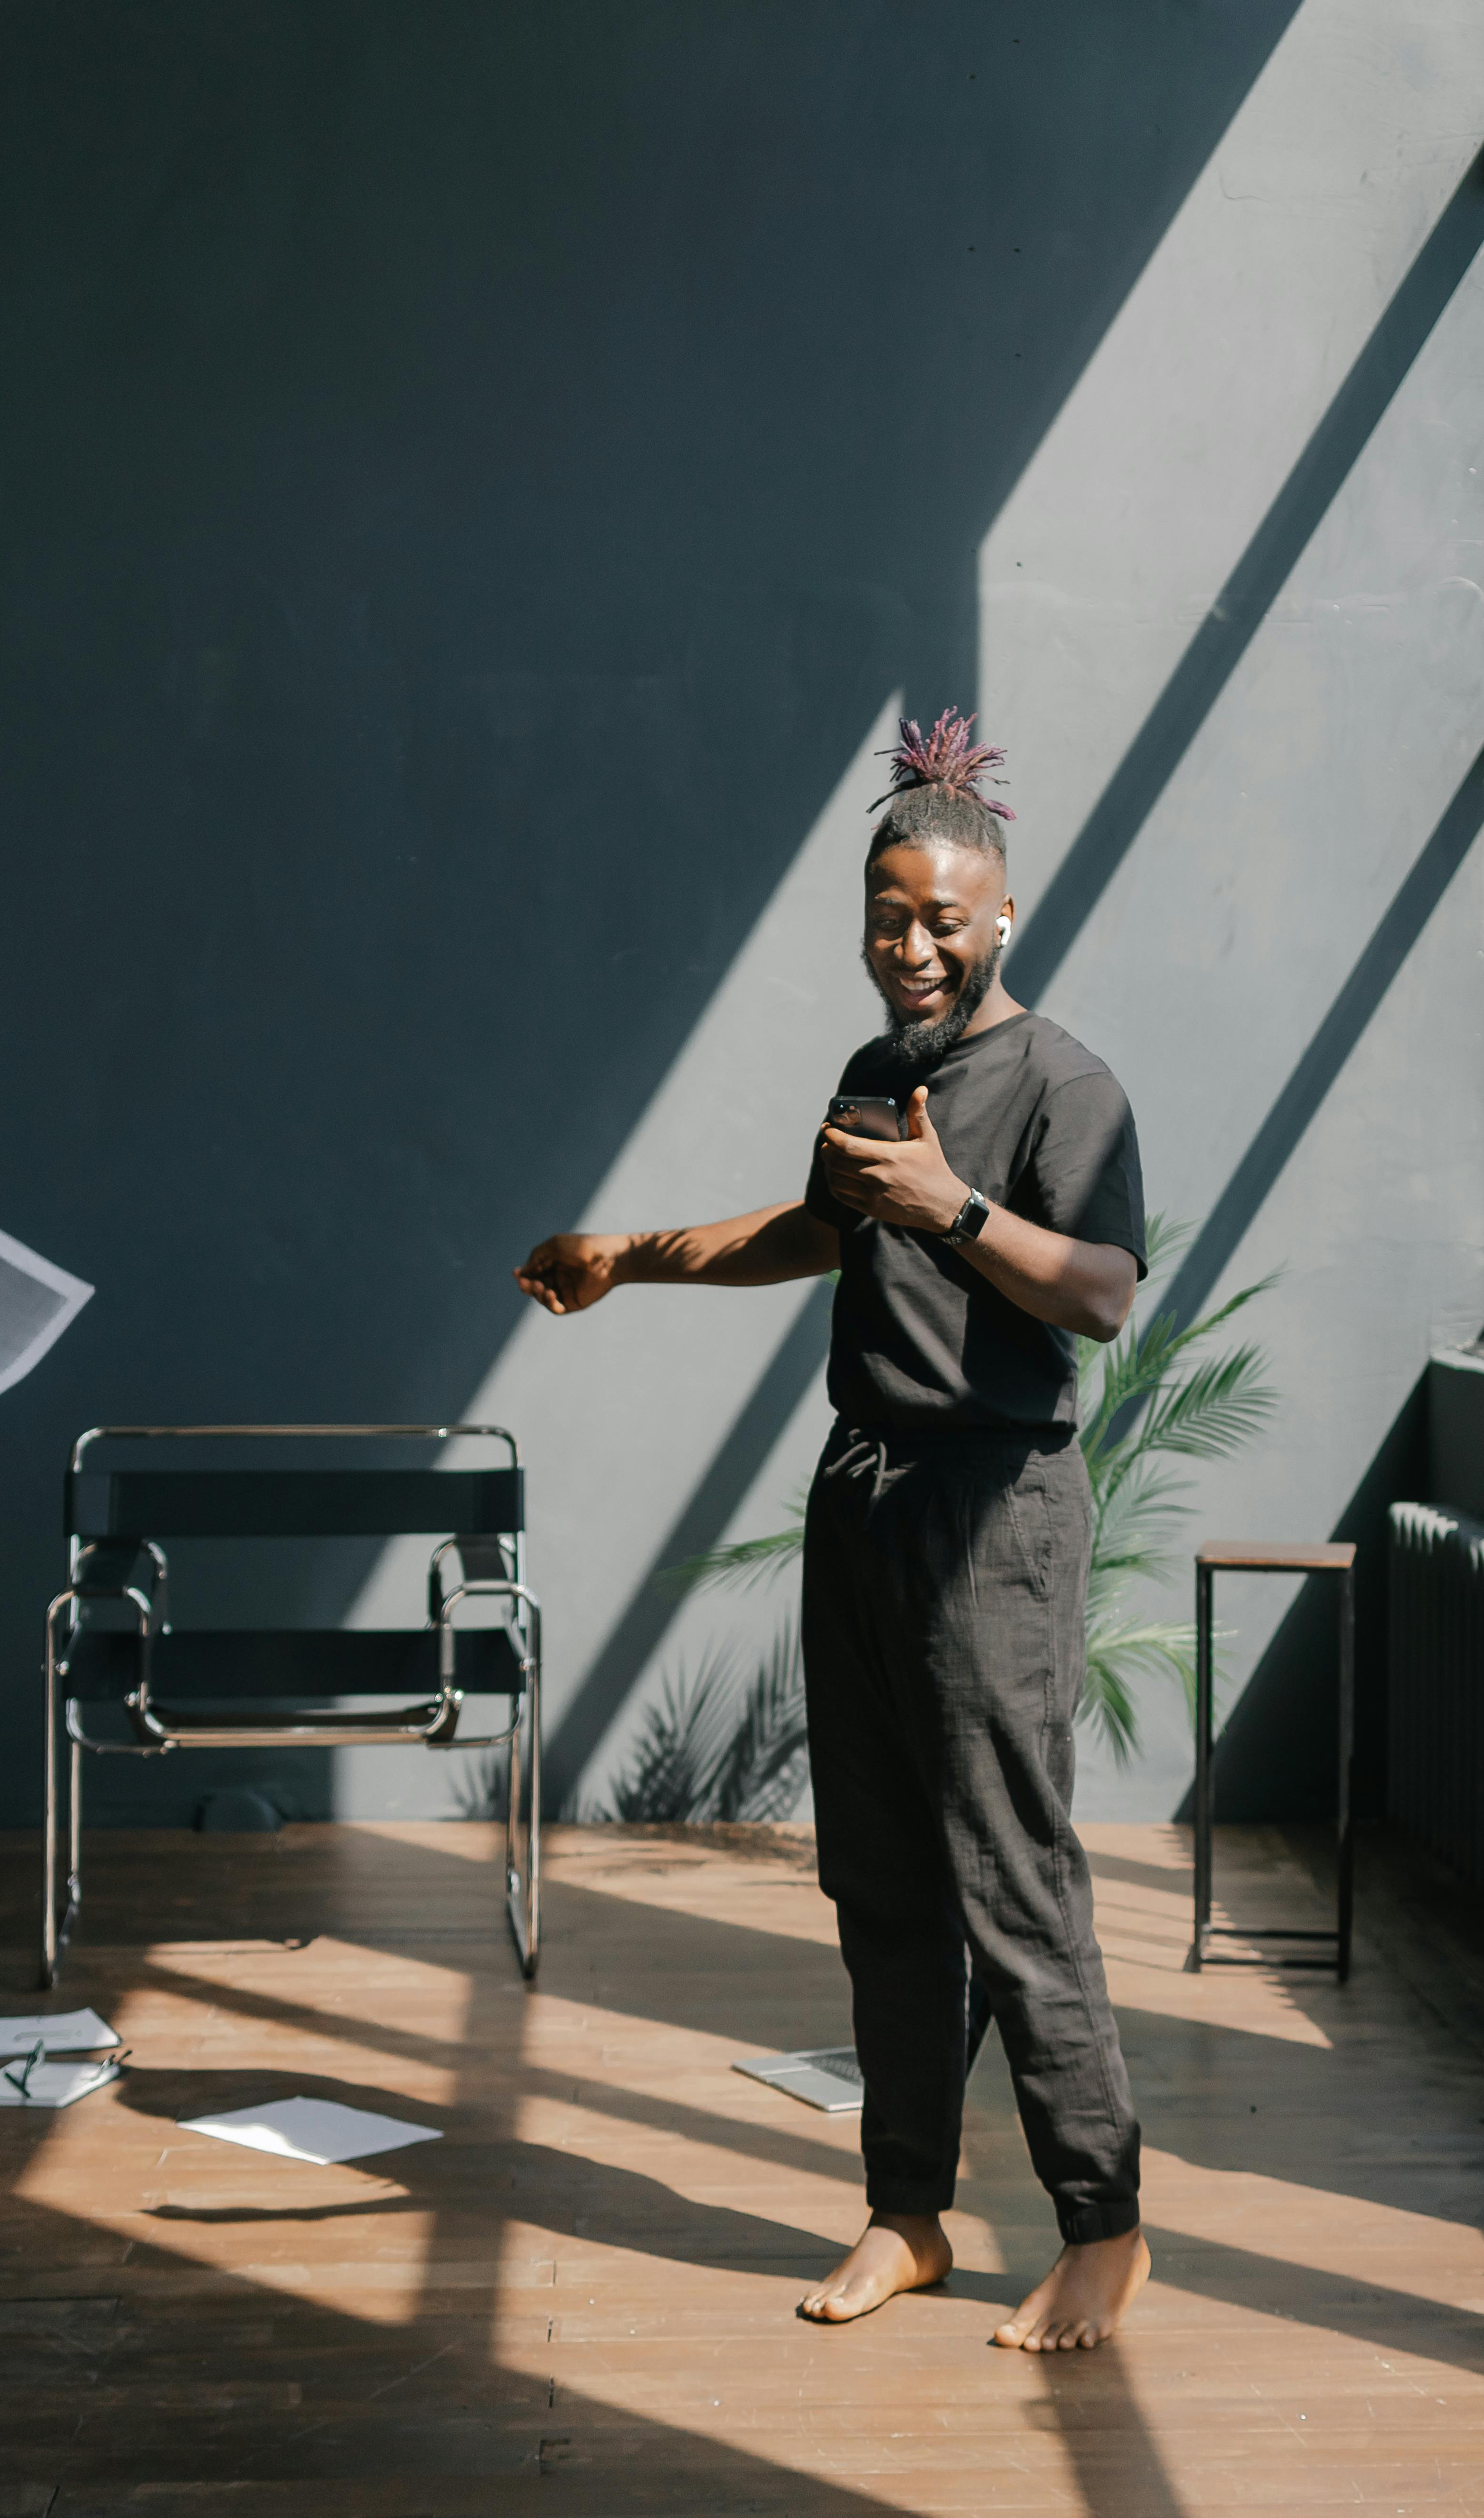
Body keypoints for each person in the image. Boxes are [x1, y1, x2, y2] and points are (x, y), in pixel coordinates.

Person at [513, 711, 1152, 2354]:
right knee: (877, 1878)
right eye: (890, 915)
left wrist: (957, 1208)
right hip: (862, 1503)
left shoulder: (1065, 1087)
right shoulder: (878, 1078)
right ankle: (909, 2213)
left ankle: (1104, 2226)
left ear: (1002, 914)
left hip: (990, 1516)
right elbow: (817, 1231)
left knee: (1011, 1873)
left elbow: (1102, 1293)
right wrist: (632, 1253)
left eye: (946, 916)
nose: (915, 944)